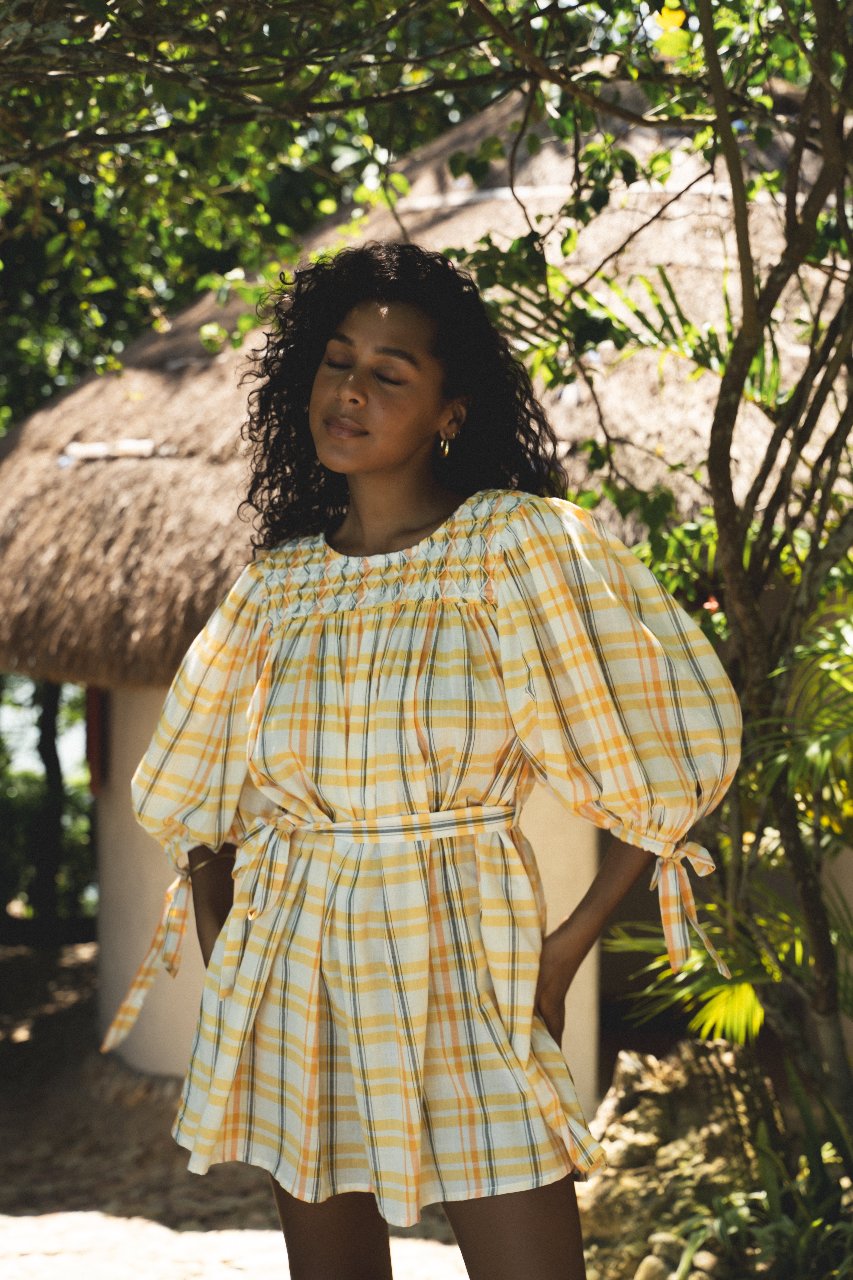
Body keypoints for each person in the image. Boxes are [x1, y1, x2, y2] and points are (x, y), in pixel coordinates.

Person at [103, 241, 742, 1280]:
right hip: (297, 961)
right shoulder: (276, 586)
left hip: (470, 951)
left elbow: (672, 745)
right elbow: (193, 786)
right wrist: (229, 951)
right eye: (335, 360)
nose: (348, 390)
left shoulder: (519, 546)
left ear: (452, 410)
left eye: (388, 373)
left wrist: (568, 944)